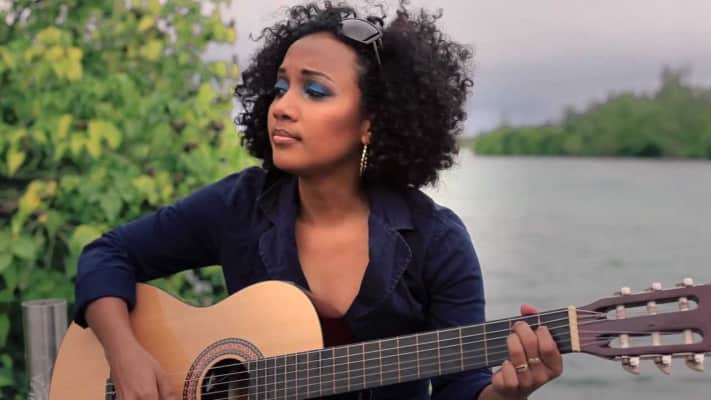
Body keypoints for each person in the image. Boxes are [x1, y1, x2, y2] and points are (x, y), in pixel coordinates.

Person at [74, 1, 562, 399]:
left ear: (371, 122)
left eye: (314, 91)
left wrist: (505, 395)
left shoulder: (436, 240)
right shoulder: (241, 205)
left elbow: (463, 389)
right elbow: (107, 254)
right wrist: (126, 355)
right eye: (280, 87)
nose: (282, 107)